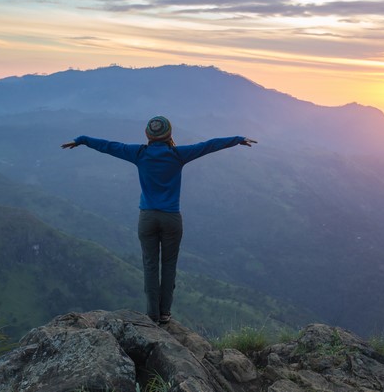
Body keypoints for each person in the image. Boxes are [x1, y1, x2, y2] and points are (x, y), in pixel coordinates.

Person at [61, 116, 256, 324]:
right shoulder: (178, 154)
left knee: (150, 265)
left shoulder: (138, 153)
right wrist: (237, 139)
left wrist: (82, 139)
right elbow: (208, 146)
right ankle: (165, 314)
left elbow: (109, 146)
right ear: (170, 134)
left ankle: (152, 315)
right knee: (169, 265)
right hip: (171, 218)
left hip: (147, 218)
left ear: (147, 135)